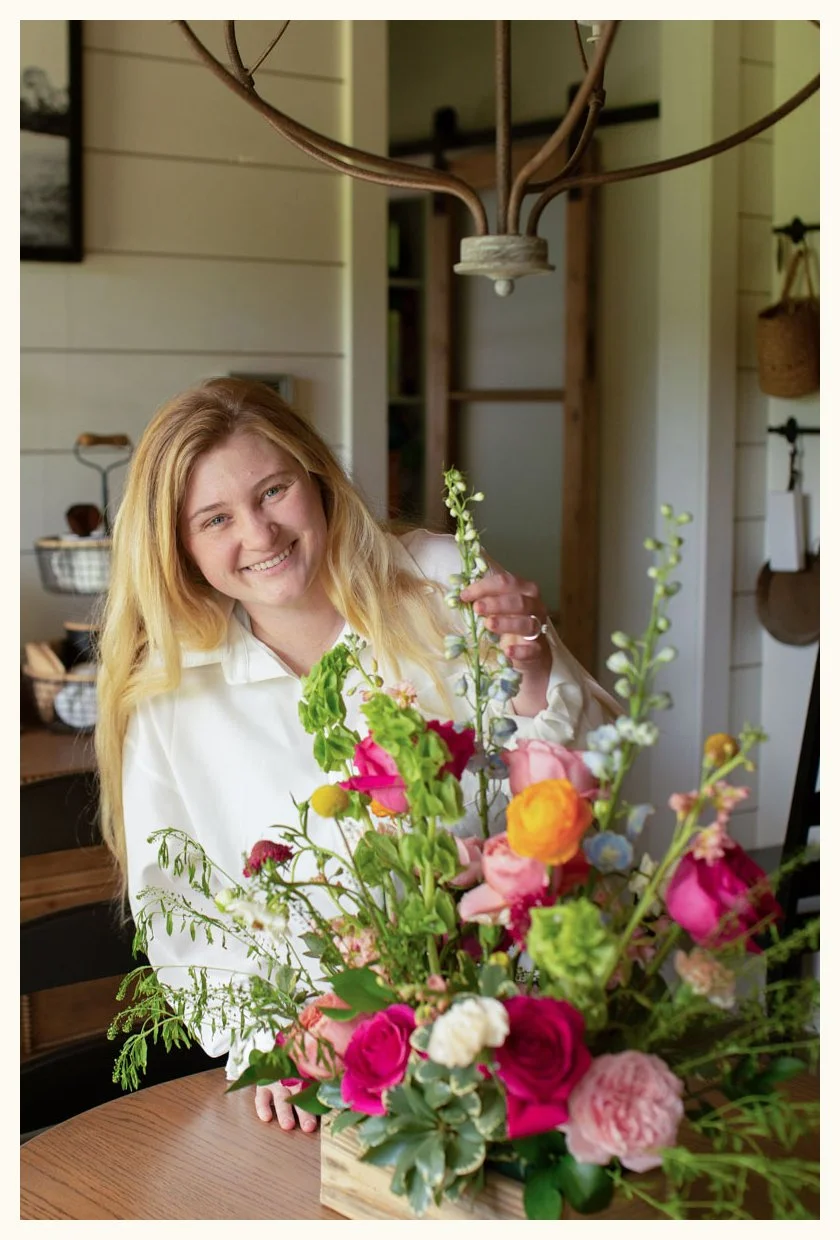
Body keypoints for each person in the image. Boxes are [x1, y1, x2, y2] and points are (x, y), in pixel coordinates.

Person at [96, 376, 615, 1133]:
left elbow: (589, 779)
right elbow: (177, 905)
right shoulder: (170, 694)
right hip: (325, 1078)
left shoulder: (440, 578)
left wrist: (533, 672)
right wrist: (265, 1041)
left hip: (519, 1028)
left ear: (316, 475)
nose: (261, 534)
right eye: (216, 519)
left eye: (273, 491)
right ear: (179, 548)